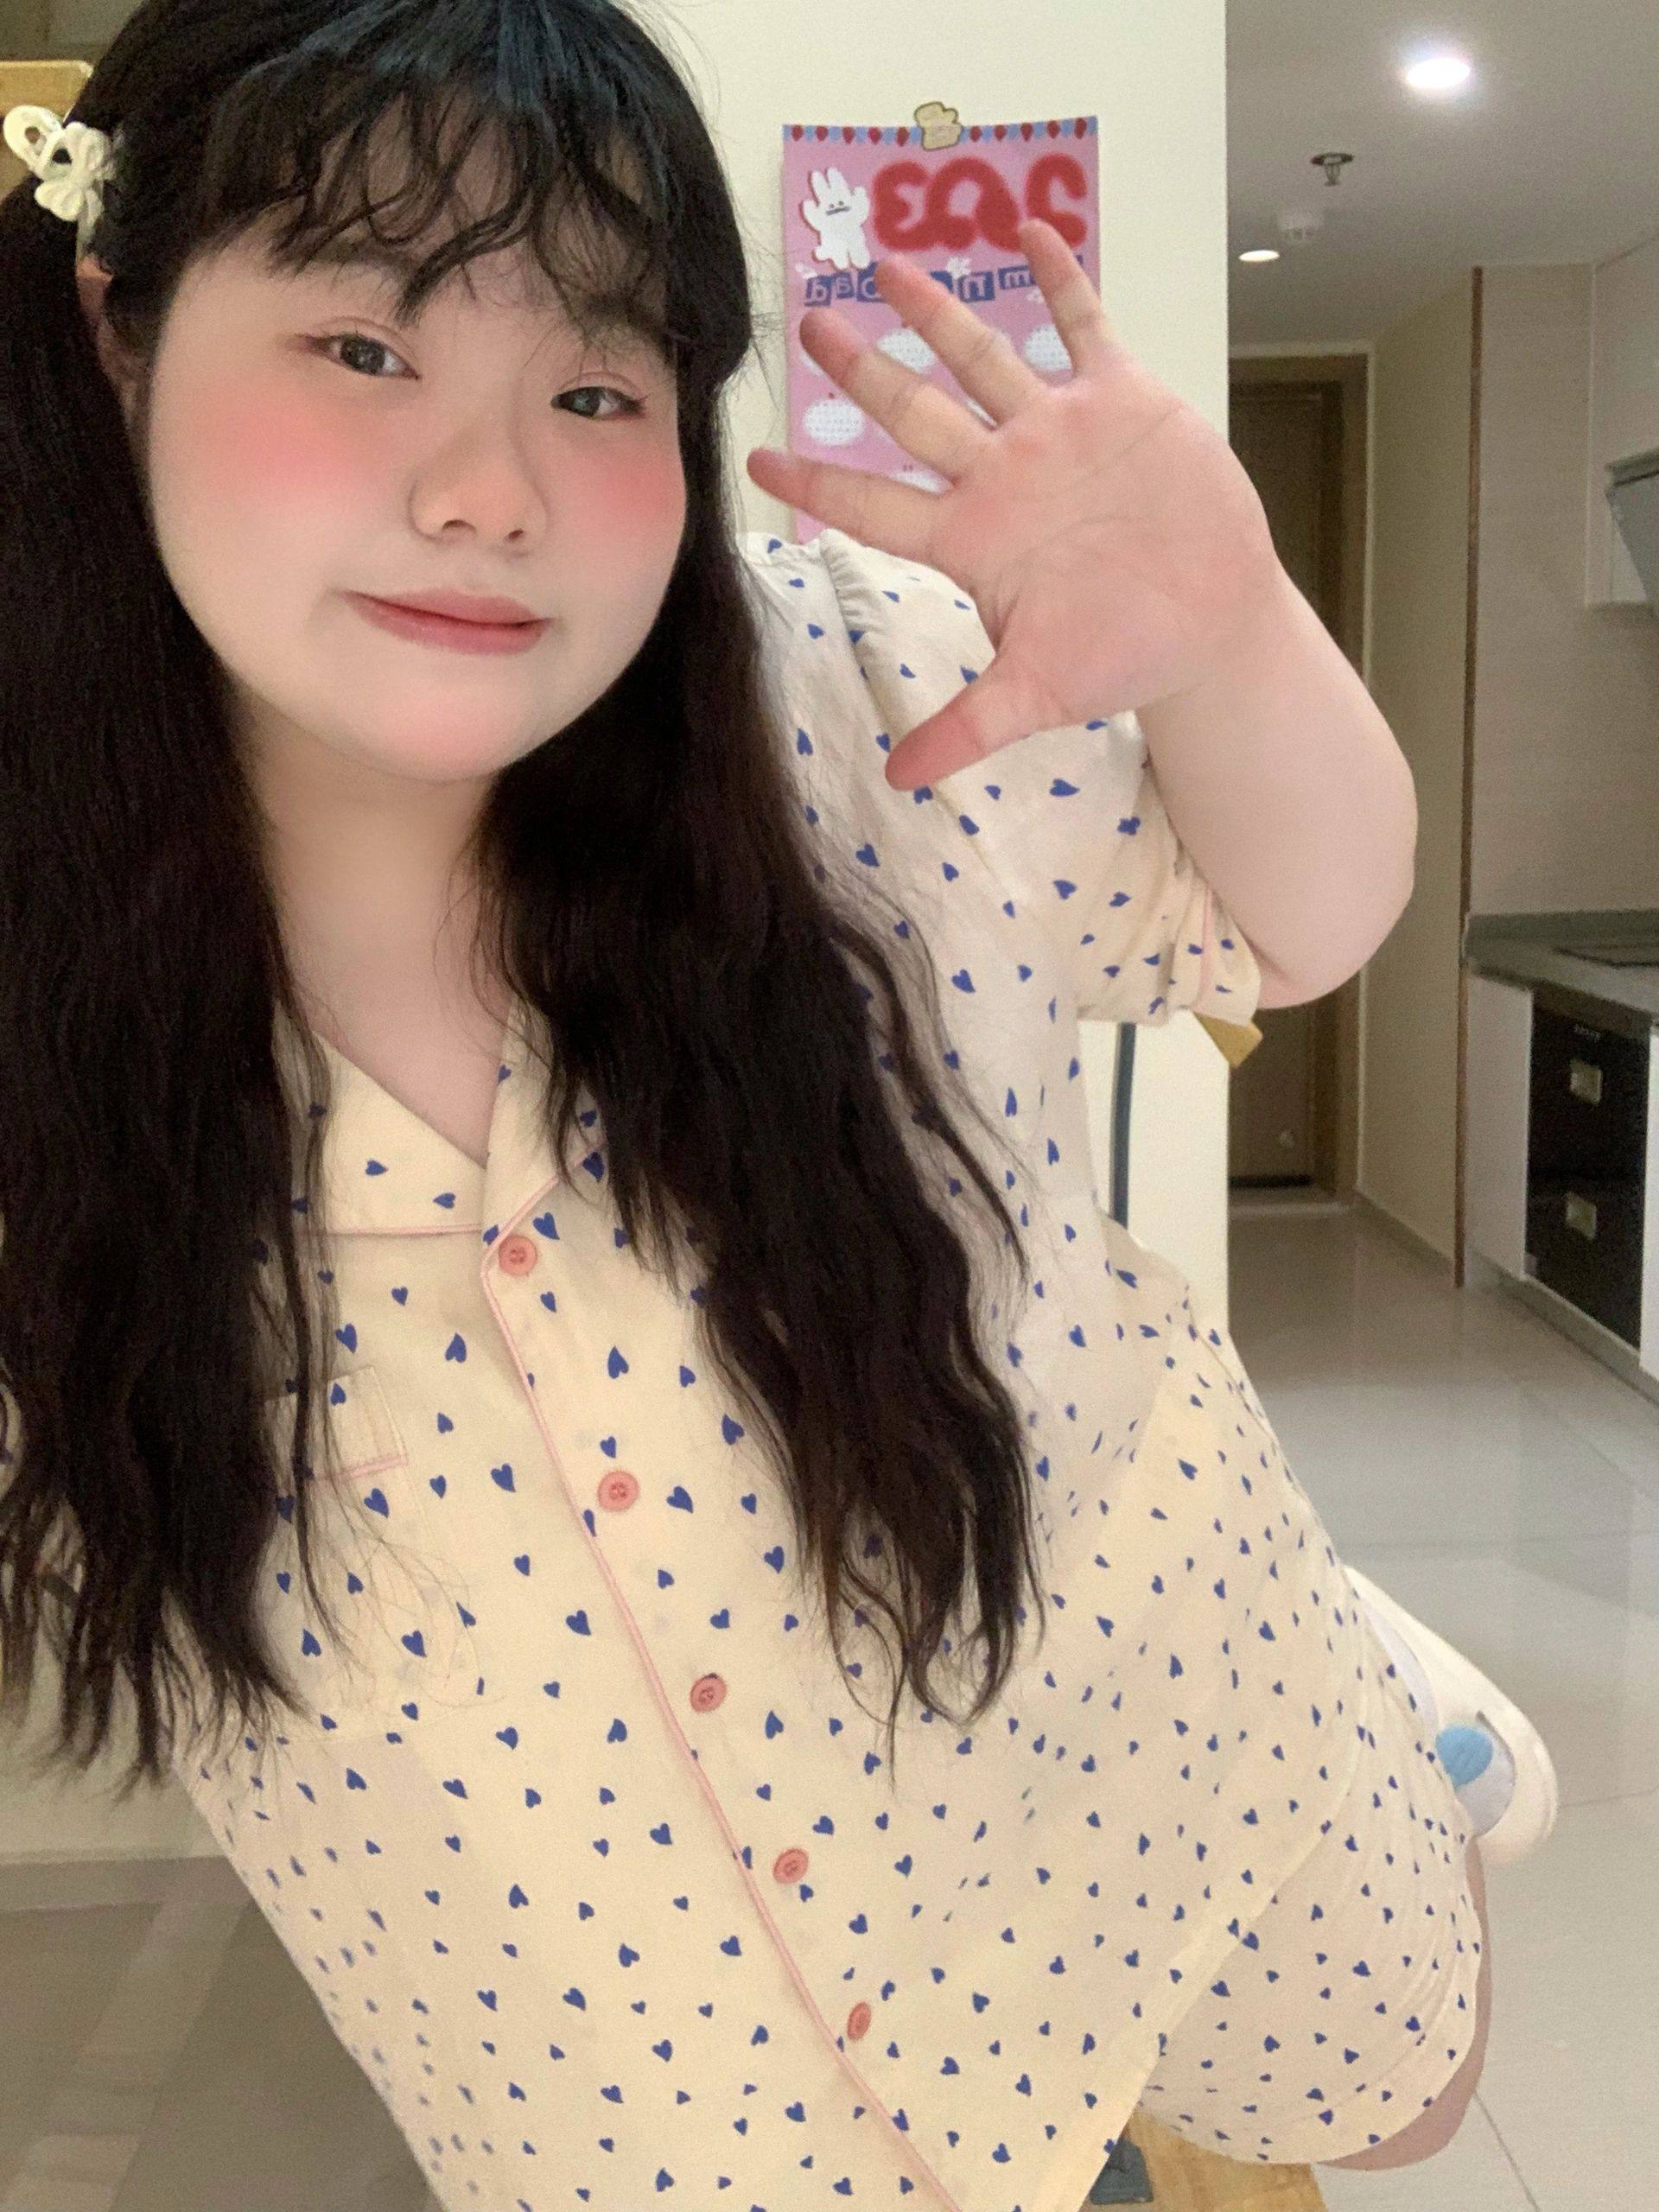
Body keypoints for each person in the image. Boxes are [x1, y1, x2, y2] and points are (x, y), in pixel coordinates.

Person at [0, 5, 1554, 2209]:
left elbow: (1296, 919)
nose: (488, 489)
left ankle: (1381, 1687)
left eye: (595, 387)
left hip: (1124, 1682)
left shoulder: (853, 675)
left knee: (1393, 2090)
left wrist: (1231, 630)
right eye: (363, 346)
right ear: (117, 333)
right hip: (633, 2026)